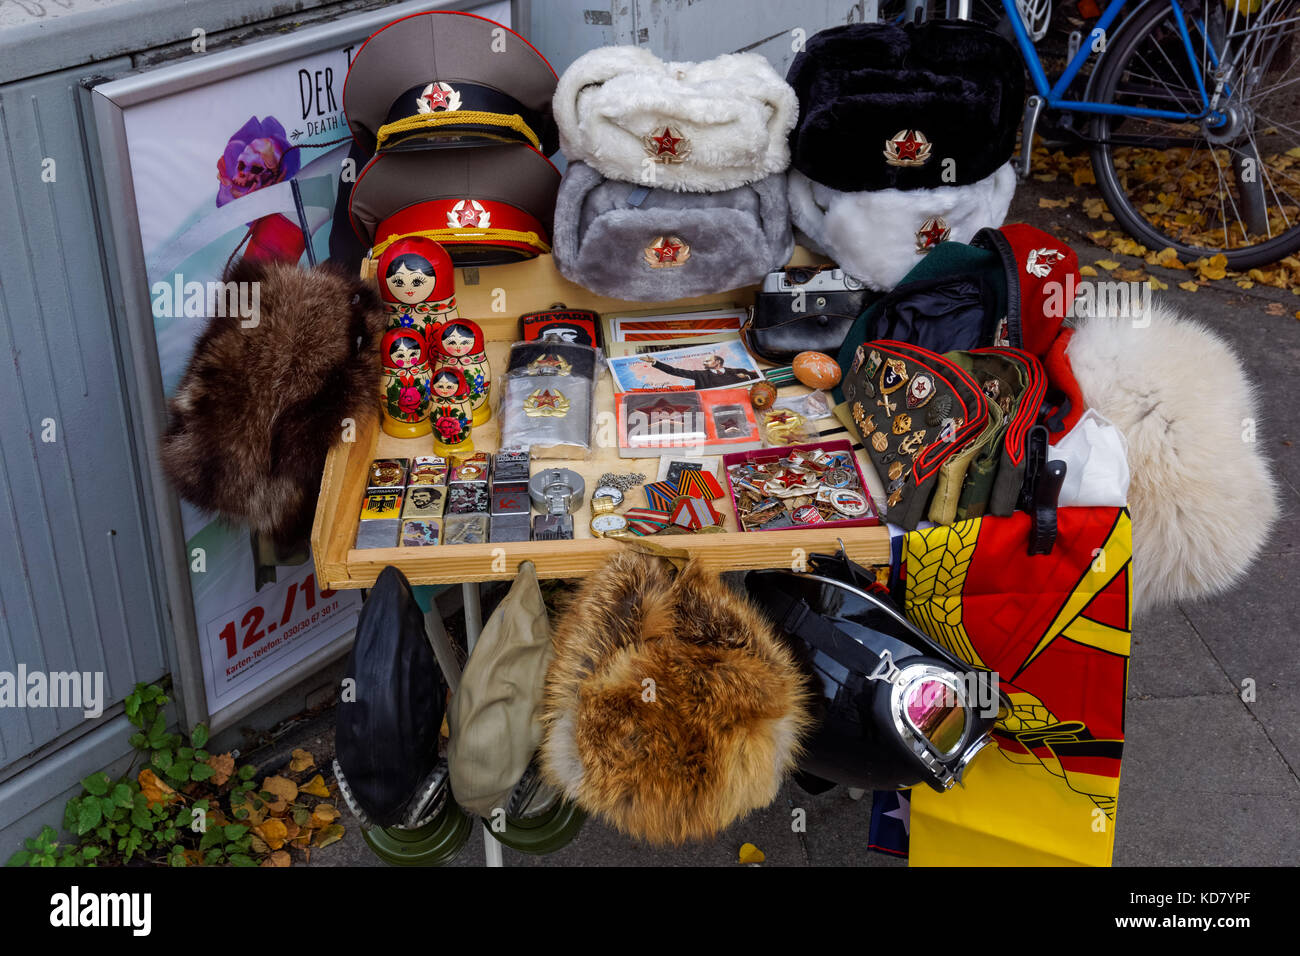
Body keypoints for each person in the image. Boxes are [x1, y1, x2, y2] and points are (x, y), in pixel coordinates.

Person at [639, 352, 756, 389]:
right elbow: (675, 371)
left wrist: (747, 378)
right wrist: (655, 362)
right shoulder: (699, 375)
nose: (704, 363)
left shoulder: (738, 371)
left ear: (718, 362)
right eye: (704, 361)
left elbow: (757, 377)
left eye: (708, 361)